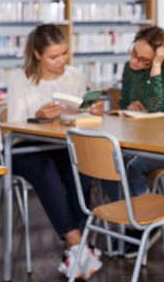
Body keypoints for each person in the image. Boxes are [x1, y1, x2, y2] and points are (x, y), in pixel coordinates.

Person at [7, 24, 104, 279]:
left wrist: (89, 110)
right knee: (45, 169)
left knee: (82, 166)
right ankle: (76, 240)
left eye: (64, 53)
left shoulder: (74, 75)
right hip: (25, 148)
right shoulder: (21, 80)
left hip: (62, 143)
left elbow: (80, 108)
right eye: (54, 56)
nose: (61, 61)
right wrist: (36, 115)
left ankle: (75, 246)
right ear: (37, 54)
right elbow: (11, 126)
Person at [107, 26, 164, 201]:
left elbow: (156, 106)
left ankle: (145, 222)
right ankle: (125, 215)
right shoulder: (129, 69)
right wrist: (130, 106)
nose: (134, 62)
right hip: (144, 140)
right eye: (134, 53)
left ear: (159, 57)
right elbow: (123, 102)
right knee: (111, 160)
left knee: (132, 166)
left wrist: (155, 66)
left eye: (144, 60)